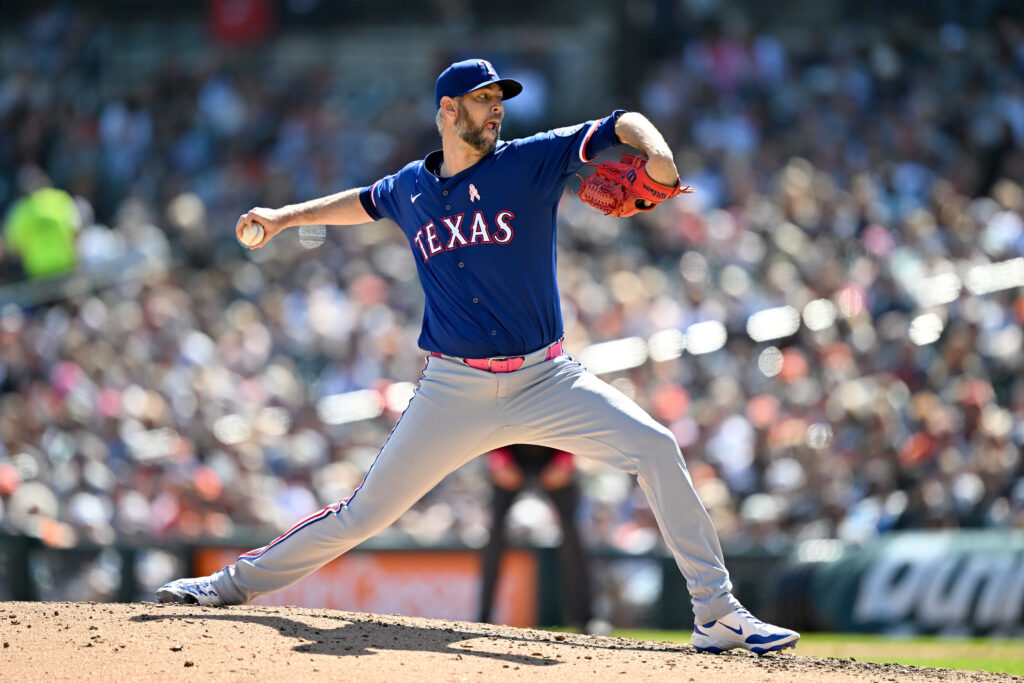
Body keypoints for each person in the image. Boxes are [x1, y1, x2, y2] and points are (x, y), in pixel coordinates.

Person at [157, 58, 799, 655]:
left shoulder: (529, 160)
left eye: (499, 100)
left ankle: (716, 612)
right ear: (447, 110)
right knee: (362, 514)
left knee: (656, 446)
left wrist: (657, 152)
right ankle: (228, 586)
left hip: (547, 378)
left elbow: (619, 122)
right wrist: (283, 217)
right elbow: (361, 202)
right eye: (482, 99)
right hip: (452, 390)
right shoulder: (410, 187)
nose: (495, 110)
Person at [478, 444, 594, 631]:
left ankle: (586, 619)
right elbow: (489, 427)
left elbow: (574, 427)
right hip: (511, 450)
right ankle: (483, 617)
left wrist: (564, 460)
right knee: (494, 534)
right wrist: (500, 460)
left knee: (572, 535)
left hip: (554, 449)